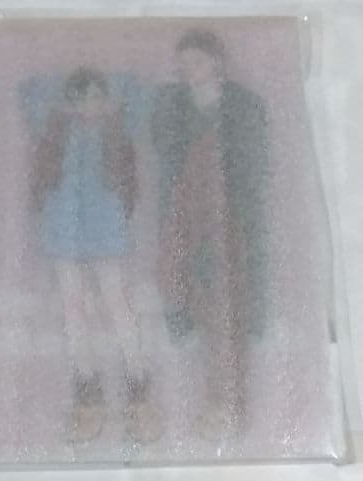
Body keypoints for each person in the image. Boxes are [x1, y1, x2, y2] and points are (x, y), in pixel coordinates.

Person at [151, 30, 271, 439]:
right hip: (187, 217)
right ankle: (212, 404)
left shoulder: (243, 104)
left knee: (229, 309)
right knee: (197, 304)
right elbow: (164, 154)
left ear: (217, 61)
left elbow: (255, 166)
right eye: (183, 63)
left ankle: (229, 407)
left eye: (196, 61)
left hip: (231, 220)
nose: (188, 70)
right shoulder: (172, 105)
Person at [31, 67, 161, 443]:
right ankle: (86, 386)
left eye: (97, 97)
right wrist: (66, 93)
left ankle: (138, 382)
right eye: (81, 98)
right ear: (69, 102)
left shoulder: (118, 126)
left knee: (116, 301)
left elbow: (138, 90)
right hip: (63, 225)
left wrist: (108, 90)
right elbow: (29, 91)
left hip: (105, 224)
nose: (90, 105)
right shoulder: (56, 128)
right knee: (72, 306)